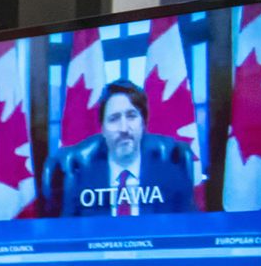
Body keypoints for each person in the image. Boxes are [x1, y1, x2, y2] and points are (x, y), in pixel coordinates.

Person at [66, 80, 194, 216]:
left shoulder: (171, 174)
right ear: (103, 129)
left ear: (143, 123)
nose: (124, 129)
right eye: (114, 119)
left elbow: (189, 229)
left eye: (131, 116)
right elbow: (66, 232)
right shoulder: (80, 180)